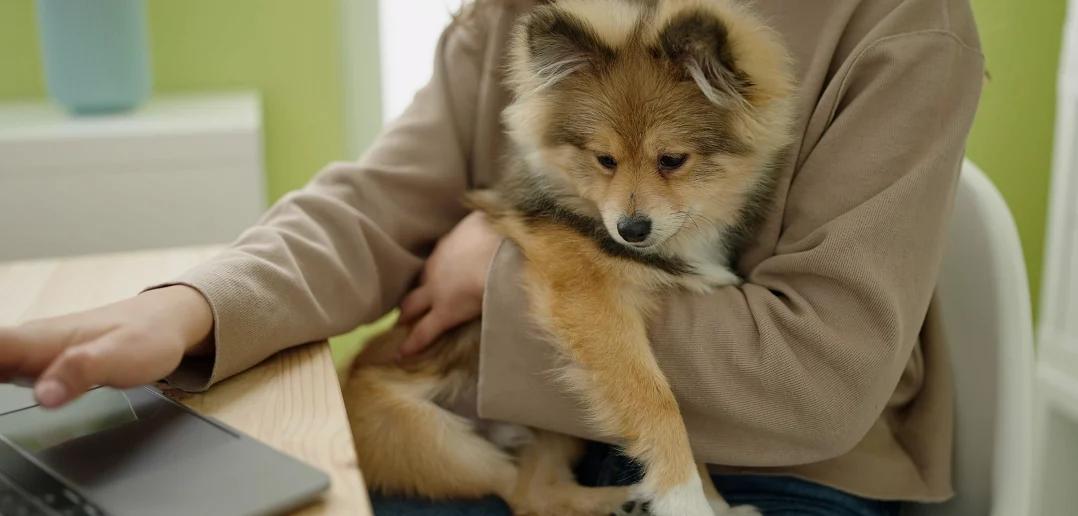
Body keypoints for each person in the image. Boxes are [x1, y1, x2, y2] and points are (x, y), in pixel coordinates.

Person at [0, 0, 985, 514]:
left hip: (780, 468)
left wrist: (506, 278)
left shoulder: (900, 26)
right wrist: (191, 307)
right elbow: (380, 201)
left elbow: (821, 376)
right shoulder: (527, 14)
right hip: (512, 434)